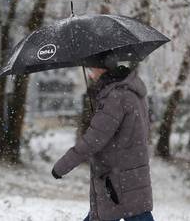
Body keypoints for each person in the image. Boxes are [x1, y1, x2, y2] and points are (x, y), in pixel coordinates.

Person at [51, 60, 155, 221]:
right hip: (130, 173)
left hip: (117, 179)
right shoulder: (131, 91)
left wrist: (61, 167)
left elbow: (93, 140)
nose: (91, 75)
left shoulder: (116, 97)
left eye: (92, 69)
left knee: (132, 215)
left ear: (101, 69)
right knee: (133, 213)